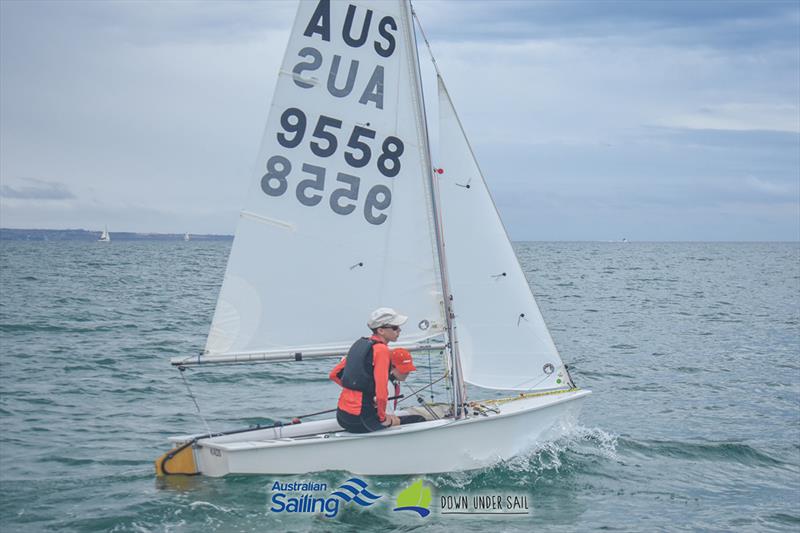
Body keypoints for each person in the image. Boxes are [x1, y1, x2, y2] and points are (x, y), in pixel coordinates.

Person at [329, 307, 418, 433]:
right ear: (381, 330)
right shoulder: (382, 350)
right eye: (394, 327)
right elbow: (382, 393)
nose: (399, 330)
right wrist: (382, 418)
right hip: (362, 419)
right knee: (415, 420)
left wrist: (356, 390)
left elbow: (334, 375)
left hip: (343, 416)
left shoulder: (360, 344)